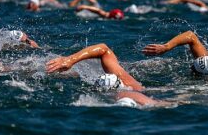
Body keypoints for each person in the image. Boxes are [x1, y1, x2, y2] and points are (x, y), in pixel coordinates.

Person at [45, 43, 180, 107]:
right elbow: (104, 49)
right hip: (159, 94)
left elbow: (103, 48)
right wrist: (70, 60)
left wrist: (70, 60)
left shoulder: (123, 93)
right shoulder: (131, 84)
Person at [142, 30, 208, 76]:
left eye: (193, 68)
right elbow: (190, 36)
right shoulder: (205, 58)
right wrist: (166, 47)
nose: (191, 67)